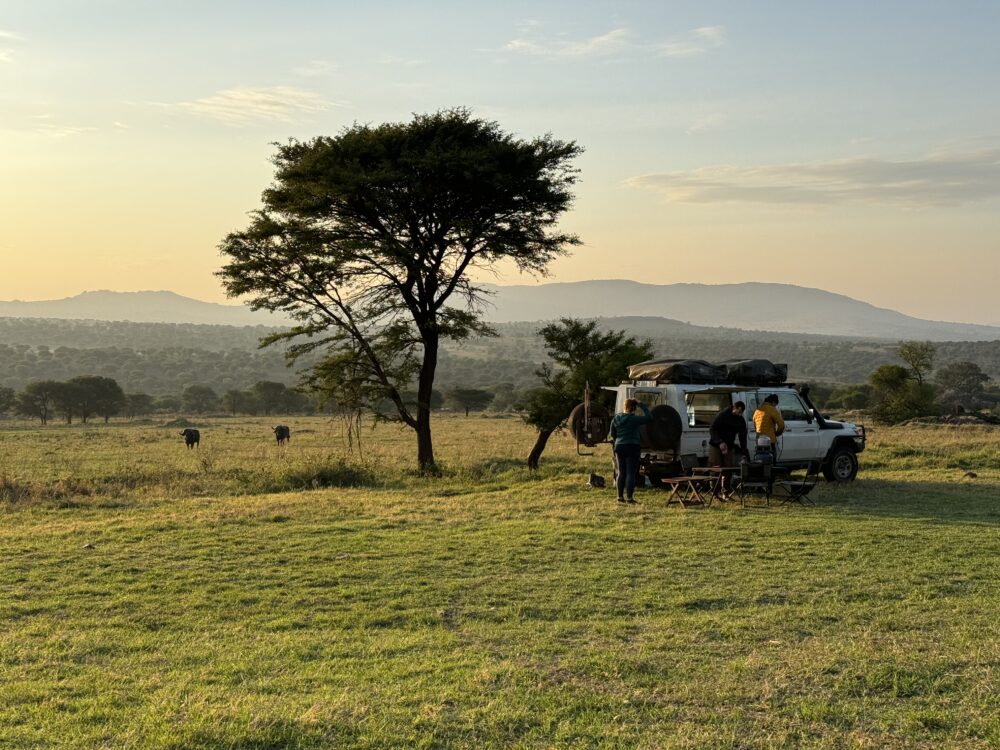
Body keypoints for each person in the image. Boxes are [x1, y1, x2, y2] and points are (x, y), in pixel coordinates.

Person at [610, 398, 652, 504]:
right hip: (632, 446)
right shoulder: (634, 419)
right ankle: (629, 498)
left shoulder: (616, 418)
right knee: (631, 473)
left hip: (619, 447)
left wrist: (618, 441)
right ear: (634, 408)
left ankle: (620, 497)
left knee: (621, 472)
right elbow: (649, 418)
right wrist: (642, 405)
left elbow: (612, 434)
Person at [708, 401, 749, 488]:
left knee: (728, 468)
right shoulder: (722, 415)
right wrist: (719, 442)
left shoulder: (740, 420)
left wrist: (744, 452)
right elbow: (712, 429)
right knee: (716, 467)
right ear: (734, 408)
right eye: (739, 412)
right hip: (716, 445)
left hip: (729, 445)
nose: (740, 414)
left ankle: (726, 490)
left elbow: (743, 437)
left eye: (741, 413)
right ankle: (715, 490)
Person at [753, 394, 785, 461]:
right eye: (775, 405)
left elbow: (755, 426)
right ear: (773, 402)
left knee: (760, 461)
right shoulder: (772, 409)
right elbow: (781, 425)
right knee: (771, 461)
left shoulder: (757, 411)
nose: (775, 407)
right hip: (769, 441)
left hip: (759, 442)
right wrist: (777, 433)